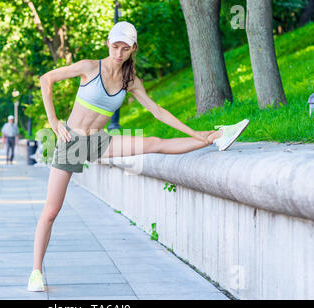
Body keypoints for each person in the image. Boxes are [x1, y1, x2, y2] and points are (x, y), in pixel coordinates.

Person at [27, 21, 249, 291]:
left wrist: (195, 132)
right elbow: (45, 79)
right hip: (71, 142)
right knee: (51, 211)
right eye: (114, 46)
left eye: (125, 48)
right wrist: (53, 121)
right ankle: (36, 272)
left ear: (133, 48)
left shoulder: (130, 81)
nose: (118, 53)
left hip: (98, 142)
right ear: (108, 44)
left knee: (154, 142)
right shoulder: (88, 67)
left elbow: (158, 112)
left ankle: (215, 137)